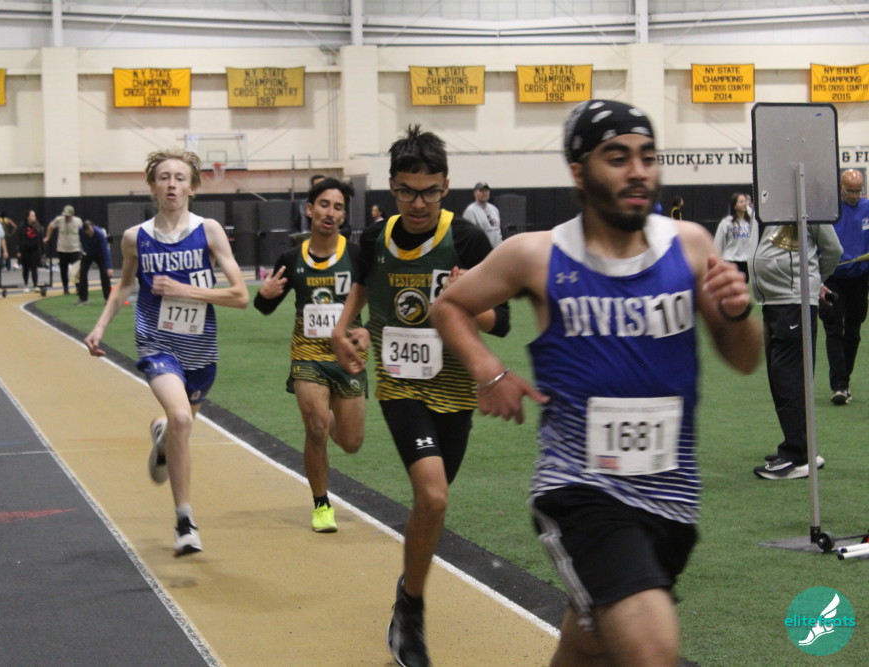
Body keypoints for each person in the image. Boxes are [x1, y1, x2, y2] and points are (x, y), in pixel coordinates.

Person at [430, 100, 762, 667]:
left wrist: (737, 313)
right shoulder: (537, 254)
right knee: (651, 650)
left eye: (648, 157)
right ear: (579, 170)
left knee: (590, 644)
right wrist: (491, 372)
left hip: (672, 496)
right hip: (581, 490)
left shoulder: (689, 245)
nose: (638, 171)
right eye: (618, 157)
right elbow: (450, 307)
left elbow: (745, 358)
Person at [330, 125, 509, 667]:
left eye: (429, 191)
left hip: (455, 390)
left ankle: (408, 588)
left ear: (446, 187)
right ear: (391, 187)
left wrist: (462, 297)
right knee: (431, 496)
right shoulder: (373, 238)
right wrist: (344, 327)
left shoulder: (469, 241)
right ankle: (412, 610)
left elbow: (499, 321)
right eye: (407, 191)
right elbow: (363, 285)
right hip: (401, 384)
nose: (417, 203)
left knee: (433, 503)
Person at [84, 147, 247, 556]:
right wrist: (100, 327)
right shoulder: (134, 238)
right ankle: (184, 523)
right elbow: (124, 286)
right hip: (156, 342)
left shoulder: (209, 231)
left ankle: (162, 433)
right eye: (164, 178)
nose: (172, 184)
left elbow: (240, 296)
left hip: (201, 349)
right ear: (152, 187)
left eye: (179, 178)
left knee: (179, 425)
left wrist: (185, 290)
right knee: (181, 418)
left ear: (193, 187)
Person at [254, 178, 367, 533]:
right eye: (324, 204)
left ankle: (331, 419)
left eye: (338, 207)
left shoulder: (357, 255)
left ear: (344, 216)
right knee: (315, 427)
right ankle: (321, 504)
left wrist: (366, 330)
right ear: (309, 209)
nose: (330, 212)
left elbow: (380, 300)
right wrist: (265, 294)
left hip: (347, 358)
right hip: (308, 356)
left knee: (351, 442)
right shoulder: (291, 259)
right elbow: (263, 307)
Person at [751, 215, 841, 480]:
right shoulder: (770, 205)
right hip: (775, 302)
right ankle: (799, 447)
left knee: (789, 379)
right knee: (781, 379)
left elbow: (833, 249)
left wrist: (811, 281)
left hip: (793, 302)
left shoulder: (806, 203)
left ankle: (797, 456)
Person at [819, 169, 869, 405]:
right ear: (840, 188)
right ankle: (839, 385)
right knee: (833, 329)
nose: (854, 195)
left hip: (859, 279)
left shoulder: (867, 208)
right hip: (832, 278)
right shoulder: (828, 211)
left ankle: (844, 380)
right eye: (850, 191)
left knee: (853, 332)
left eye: (858, 191)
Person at [713, 192, 758, 282]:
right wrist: (717, 259)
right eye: (741, 202)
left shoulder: (751, 222)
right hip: (730, 259)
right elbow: (718, 242)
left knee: (743, 285)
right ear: (734, 206)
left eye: (745, 201)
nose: (744, 204)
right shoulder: (726, 222)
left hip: (746, 260)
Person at [44, 205, 83, 295]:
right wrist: (47, 237)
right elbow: (50, 226)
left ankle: (78, 286)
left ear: (72, 214)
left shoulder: (78, 221)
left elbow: (82, 232)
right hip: (62, 249)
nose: (66, 217)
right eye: (65, 215)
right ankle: (65, 288)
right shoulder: (59, 220)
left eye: (68, 215)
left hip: (75, 249)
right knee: (63, 270)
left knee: (76, 270)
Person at [76, 219, 113, 305]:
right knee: (82, 272)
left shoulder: (99, 234)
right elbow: (82, 241)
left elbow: (105, 250)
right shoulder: (81, 231)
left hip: (100, 254)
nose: (89, 233)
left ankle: (108, 298)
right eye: (87, 231)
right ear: (84, 231)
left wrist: (109, 267)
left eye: (90, 230)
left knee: (104, 275)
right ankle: (83, 298)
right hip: (88, 253)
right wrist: (84, 251)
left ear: (93, 227)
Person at [462, 181, 502, 248]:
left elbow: (498, 231)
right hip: (481, 250)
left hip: (496, 249)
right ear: (475, 193)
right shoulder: (471, 211)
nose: (484, 193)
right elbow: (469, 235)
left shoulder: (494, 209)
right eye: (481, 191)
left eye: (486, 190)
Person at [17, 210, 44, 292]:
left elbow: (40, 239)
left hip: (34, 250)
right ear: (28, 217)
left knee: (34, 268)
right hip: (25, 250)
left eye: (34, 215)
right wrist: (18, 251)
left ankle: (35, 284)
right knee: (25, 268)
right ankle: (26, 284)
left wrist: (43, 251)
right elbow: (19, 239)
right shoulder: (22, 226)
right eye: (32, 215)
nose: (34, 217)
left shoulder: (37, 226)